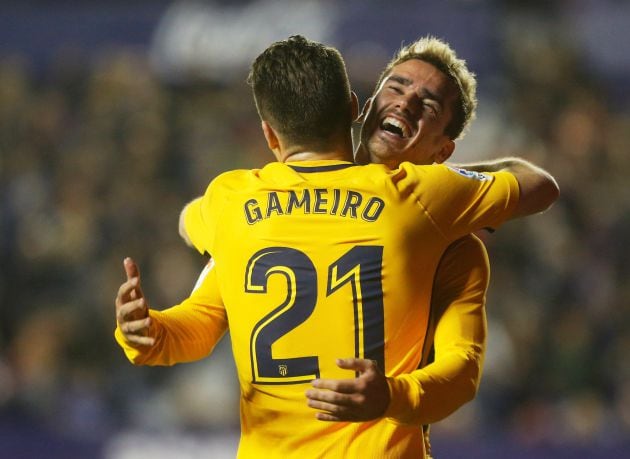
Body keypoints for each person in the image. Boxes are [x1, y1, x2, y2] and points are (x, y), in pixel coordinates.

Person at [115, 35, 558, 458]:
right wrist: (150, 333)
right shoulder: (415, 201)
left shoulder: (244, 202)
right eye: (397, 87)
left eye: (428, 104)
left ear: (444, 150)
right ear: (361, 108)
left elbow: (461, 371)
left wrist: (391, 395)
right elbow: (201, 322)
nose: (406, 101)